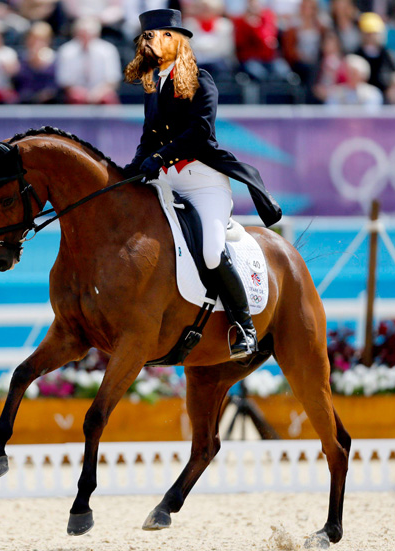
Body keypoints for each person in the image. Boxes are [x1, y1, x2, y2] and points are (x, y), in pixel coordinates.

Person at [123, 9, 282, 359]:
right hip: (168, 184)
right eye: (148, 37)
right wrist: (132, 169)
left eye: (161, 36)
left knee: (211, 251)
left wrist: (160, 158)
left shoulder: (200, 78)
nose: (153, 43)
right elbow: (149, 137)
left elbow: (200, 131)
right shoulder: (153, 84)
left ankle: (245, 327)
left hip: (204, 183)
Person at [55, 16, 121, 104]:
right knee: (76, 98)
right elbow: (65, 81)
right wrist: (83, 93)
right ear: (75, 33)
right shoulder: (66, 51)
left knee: (108, 99)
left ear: (97, 34)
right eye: (82, 34)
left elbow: (112, 79)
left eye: (89, 34)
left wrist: (97, 94)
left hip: (102, 92)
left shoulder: (108, 50)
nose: (86, 37)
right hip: (76, 94)